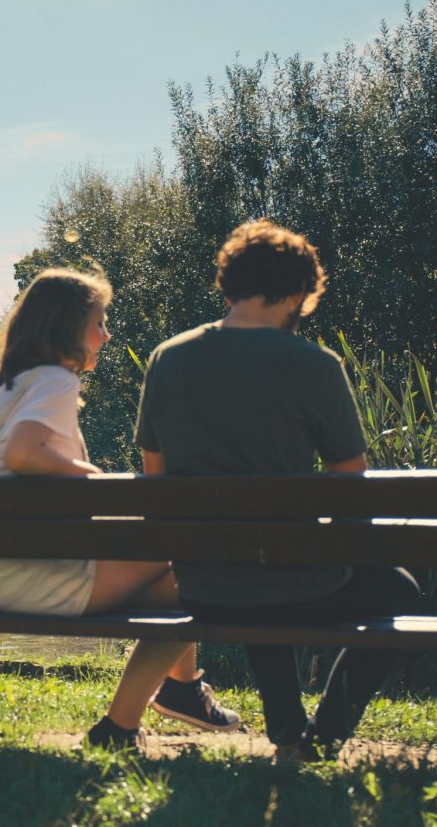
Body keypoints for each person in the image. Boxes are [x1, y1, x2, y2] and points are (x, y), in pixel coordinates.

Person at [135, 219, 422, 760]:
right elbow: (350, 486)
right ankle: (323, 734)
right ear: (297, 292)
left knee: (254, 562)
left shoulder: (168, 359)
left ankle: (289, 730)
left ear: (229, 283)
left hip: (202, 581)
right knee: (397, 589)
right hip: (294, 581)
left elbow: (156, 478)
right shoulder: (314, 366)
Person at [0, 267, 238, 751]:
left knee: (181, 583)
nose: (106, 335)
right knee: (208, 573)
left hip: (4, 577)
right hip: (45, 579)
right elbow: (25, 453)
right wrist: (96, 479)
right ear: (67, 327)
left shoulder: (7, 386)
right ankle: (132, 719)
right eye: (99, 322)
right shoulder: (54, 379)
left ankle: (179, 690)